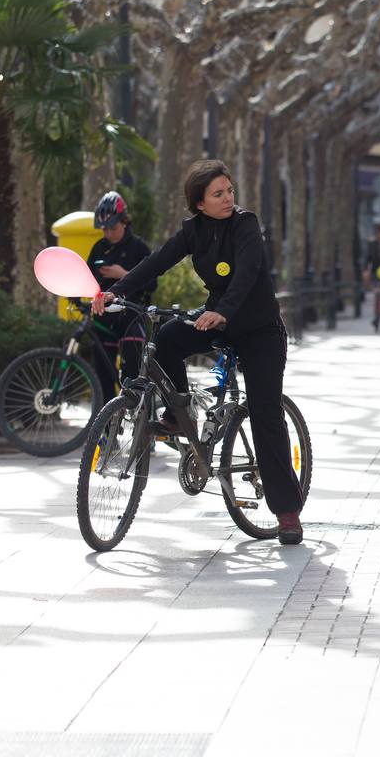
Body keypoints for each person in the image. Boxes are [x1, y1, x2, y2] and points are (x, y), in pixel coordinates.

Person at [92, 159, 304, 544]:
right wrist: (116, 293)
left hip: (259, 332)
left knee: (265, 415)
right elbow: (157, 261)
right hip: (216, 321)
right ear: (200, 204)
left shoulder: (246, 224)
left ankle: (287, 512)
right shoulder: (193, 231)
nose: (228, 198)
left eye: (229, 191)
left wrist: (221, 310)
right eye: (218, 194)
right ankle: (180, 412)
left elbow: (247, 275)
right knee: (168, 340)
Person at [86, 191, 153, 394]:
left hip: (132, 317)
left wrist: (123, 274)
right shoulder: (98, 248)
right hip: (104, 319)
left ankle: (140, 415)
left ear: (124, 222)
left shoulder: (139, 247)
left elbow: (152, 285)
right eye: (104, 229)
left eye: (112, 228)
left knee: (133, 376)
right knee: (103, 376)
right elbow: (88, 278)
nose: (108, 233)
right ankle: (106, 424)